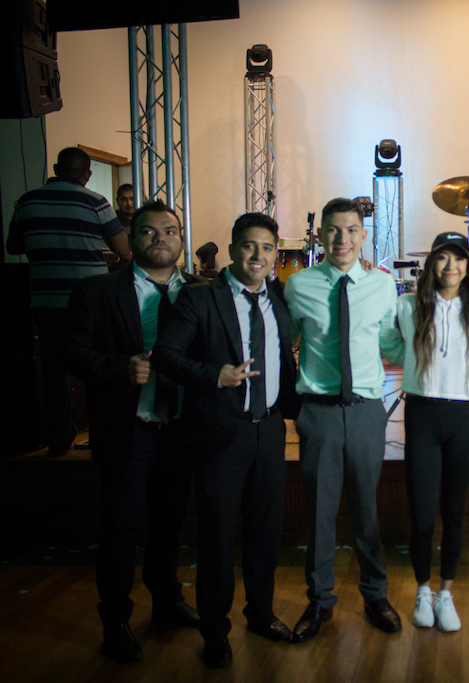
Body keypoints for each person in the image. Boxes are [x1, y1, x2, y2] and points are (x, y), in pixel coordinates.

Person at [152, 213, 300, 668]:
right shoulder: (201, 298)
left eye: (268, 247)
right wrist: (212, 375)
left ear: (275, 254)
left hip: (270, 432)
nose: (259, 255)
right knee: (217, 539)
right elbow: (164, 355)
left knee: (265, 534)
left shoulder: (278, 298)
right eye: (250, 246)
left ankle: (261, 613)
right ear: (233, 249)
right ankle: (215, 631)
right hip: (221, 435)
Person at [64, 200, 201, 663]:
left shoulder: (202, 291)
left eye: (170, 230)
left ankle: (167, 602)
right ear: (130, 238)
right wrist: (118, 366)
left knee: (170, 523)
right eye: (148, 231)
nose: (160, 238)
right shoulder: (97, 291)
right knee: (120, 529)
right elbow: (72, 352)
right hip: (128, 428)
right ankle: (116, 620)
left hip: (180, 429)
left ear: (181, 238)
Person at [284, 198, 401, 640]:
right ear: (320, 235)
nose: (342, 239)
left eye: (351, 230)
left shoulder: (382, 285)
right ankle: (319, 601)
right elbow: (284, 344)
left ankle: (376, 595)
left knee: (368, 510)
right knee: (319, 513)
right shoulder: (299, 285)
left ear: (363, 235)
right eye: (333, 230)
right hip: (319, 413)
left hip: (367, 412)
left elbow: (390, 343)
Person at [380, 231, 469, 633]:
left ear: (468, 265)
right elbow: (388, 341)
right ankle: (423, 589)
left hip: (463, 417)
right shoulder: (409, 305)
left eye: (458, 258)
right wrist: (410, 359)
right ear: (431, 264)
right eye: (442, 257)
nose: (450, 266)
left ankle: (446, 592)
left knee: (454, 514)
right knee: (423, 515)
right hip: (422, 415)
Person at [6, 146, 131, 456]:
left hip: (47, 301)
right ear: (87, 175)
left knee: (54, 372)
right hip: (90, 300)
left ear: (55, 168)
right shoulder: (96, 202)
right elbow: (123, 249)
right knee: (97, 367)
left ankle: (60, 440)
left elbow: (13, 246)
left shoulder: (26, 201)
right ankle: (101, 436)